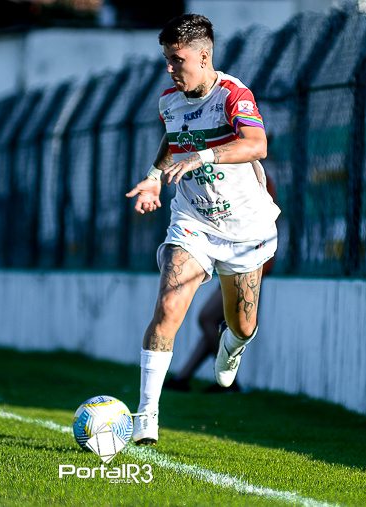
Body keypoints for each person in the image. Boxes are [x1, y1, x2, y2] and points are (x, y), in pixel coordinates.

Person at [125, 14, 279, 445]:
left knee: (242, 325)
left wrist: (205, 156)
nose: (170, 68)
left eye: (177, 60)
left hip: (245, 228)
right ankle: (146, 416)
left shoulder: (233, 94)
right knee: (168, 306)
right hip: (193, 221)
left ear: (204, 56)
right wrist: (153, 177)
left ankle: (233, 345)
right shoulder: (169, 101)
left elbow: (257, 144)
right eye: (167, 59)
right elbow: (173, 139)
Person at [164, 177, 277, 393]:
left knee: (208, 318)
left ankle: (230, 382)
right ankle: (182, 377)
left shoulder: (256, 178)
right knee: (213, 324)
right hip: (235, 258)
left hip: (250, 263)